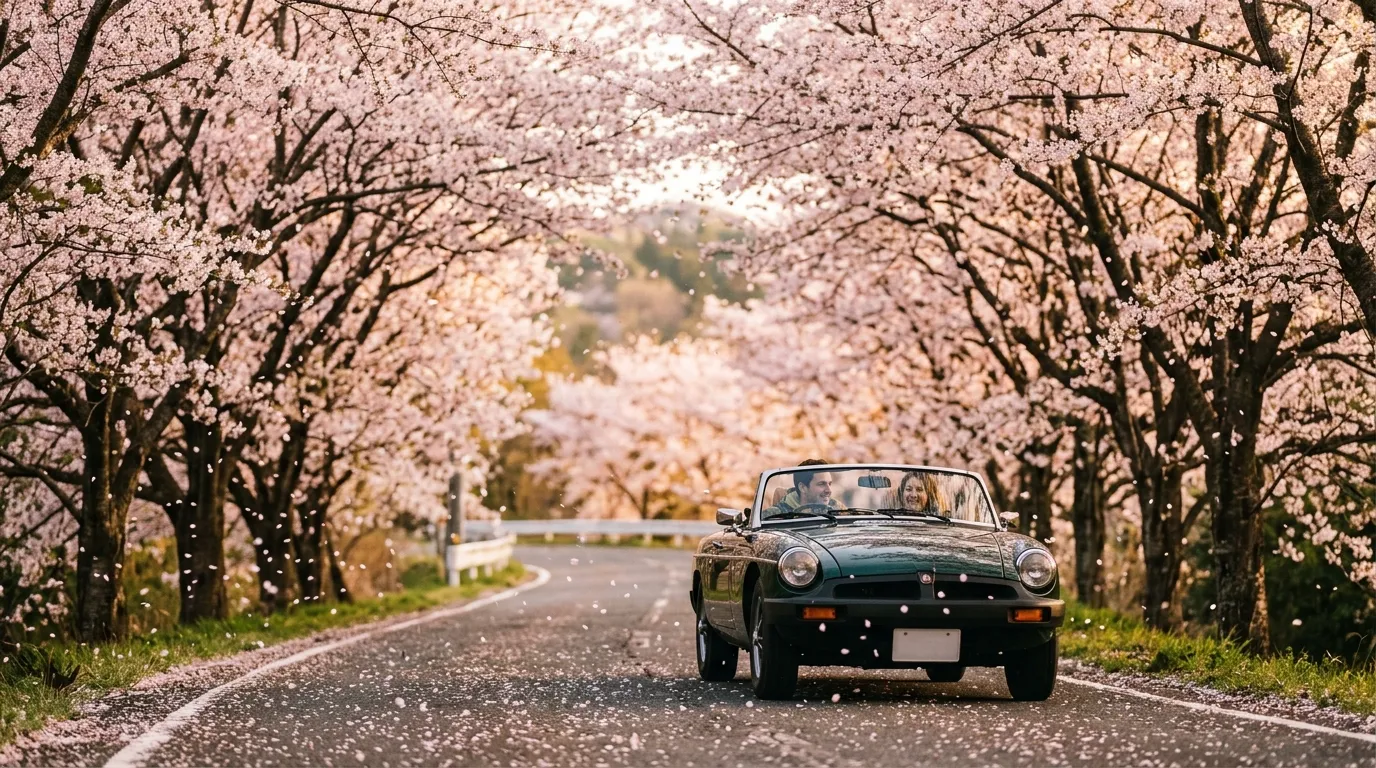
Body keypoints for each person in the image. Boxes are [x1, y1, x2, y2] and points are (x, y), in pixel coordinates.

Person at [763, 459, 846, 519]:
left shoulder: (838, 508)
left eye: (829, 484)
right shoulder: (774, 515)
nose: (829, 491)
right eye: (821, 484)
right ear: (803, 487)